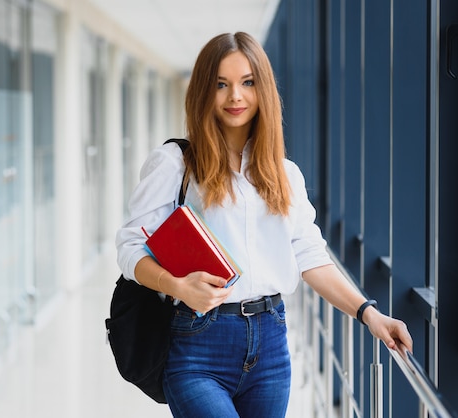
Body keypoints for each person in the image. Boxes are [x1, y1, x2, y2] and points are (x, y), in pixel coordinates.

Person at [116, 32, 413, 418]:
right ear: (204, 91)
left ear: (263, 90)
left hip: (271, 347)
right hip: (198, 342)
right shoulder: (176, 164)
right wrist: (176, 285)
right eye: (221, 84)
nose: (235, 96)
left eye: (247, 83)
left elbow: (311, 259)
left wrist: (369, 313)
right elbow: (129, 248)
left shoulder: (285, 175)